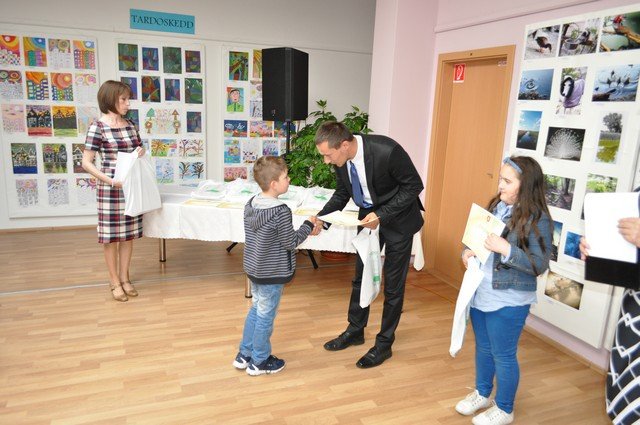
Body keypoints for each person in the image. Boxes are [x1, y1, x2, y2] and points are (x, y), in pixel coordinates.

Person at [313, 121, 424, 369]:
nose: (326, 161)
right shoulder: (342, 160)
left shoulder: (388, 151)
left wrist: (382, 215)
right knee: (360, 278)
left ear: (344, 145)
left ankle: (384, 344)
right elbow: (342, 194)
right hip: (368, 218)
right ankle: (355, 330)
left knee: (393, 286)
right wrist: (322, 218)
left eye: (328, 155)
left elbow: (414, 186)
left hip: (399, 220)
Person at [457, 156, 552, 425]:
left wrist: (507, 249)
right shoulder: (496, 207)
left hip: (510, 299)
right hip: (481, 292)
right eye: (500, 179)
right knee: (484, 348)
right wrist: (467, 251)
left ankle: (505, 408)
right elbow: (474, 240)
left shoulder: (539, 219)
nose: (500, 185)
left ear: (526, 185)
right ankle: (483, 393)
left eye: (507, 181)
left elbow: (539, 264)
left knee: (503, 354)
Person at [233, 156, 316, 376]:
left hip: (254, 269)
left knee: (256, 310)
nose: (289, 180)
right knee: (265, 317)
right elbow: (290, 242)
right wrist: (308, 226)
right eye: (285, 177)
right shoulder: (280, 211)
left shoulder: (251, 203)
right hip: (271, 273)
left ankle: (244, 354)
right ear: (274, 184)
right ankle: (259, 361)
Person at [580, 189, 640, 425]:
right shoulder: (637, 196)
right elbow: (626, 261)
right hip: (633, 314)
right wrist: (596, 251)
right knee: (624, 399)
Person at [82, 80, 145, 302]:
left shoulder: (130, 125)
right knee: (111, 238)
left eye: (128, 99)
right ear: (110, 99)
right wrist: (109, 181)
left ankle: (125, 279)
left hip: (130, 186)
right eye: (123, 99)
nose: (128, 103)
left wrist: (140, 152)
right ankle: (114, 281)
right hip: (110, 189)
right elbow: (86, 162)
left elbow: (139, 149)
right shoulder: (97, 127)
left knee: (128, 236)